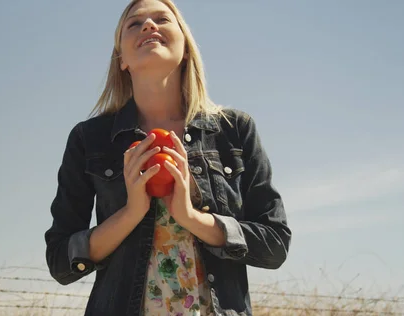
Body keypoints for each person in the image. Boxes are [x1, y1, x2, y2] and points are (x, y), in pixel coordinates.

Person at [44, 0, 292, 315]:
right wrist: (131, 213)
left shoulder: (235, 131)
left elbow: (275, 245)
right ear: (122, 60)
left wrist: (191, 217)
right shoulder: (89, 139)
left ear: (186, 47)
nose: (149, 26)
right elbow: (60, 260)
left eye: (162, 19)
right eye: (134, 24)